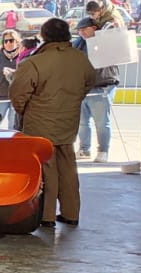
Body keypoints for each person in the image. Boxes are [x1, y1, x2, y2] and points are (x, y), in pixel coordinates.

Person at [10, 18, 97, 226]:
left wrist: (27, 111)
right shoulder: (80, 59)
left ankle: (46, 215)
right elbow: (89, 82)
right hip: (69, 120)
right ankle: (71, 213)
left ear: (44, 36)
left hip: (40, 122)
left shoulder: (33, 62)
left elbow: (17, 94)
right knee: (68, 165)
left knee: (46, 168)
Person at [72, 16, 119, 164]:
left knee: (101, 122)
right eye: (79, 30)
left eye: (84, 29)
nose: (81, 33)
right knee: (82, 122)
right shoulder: (77, 44)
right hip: (82, 88)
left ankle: (103, 150)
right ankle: (84, 149)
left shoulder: (105, 40)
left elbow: (117, 37)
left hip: (102, 86)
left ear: (94, 28)